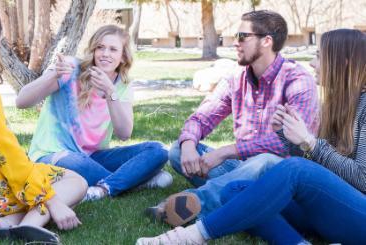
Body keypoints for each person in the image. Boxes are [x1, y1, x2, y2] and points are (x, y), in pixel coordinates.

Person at [137, 28, 366, 245]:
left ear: (342, 62)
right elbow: (322, 173)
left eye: (319, 56)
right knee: (234, 190)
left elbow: (362, 179)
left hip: (359, 218)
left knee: (294, 169)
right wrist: (292, 139)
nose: (313, 64)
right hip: (332, 212)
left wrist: (311, 143)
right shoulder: (335, 105)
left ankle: (191, 236)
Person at [146, 10, 319, 226]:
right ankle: (238, 197)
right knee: (178, 150)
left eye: (242, 36)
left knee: (262, 162)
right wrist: (189, 143)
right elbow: (202, 117)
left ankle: (191, 204)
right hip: (240, 168)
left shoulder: (298, 80)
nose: (235, 43)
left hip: (282, 176)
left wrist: (227, 151)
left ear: (266, 41)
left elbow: (289, 141)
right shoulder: (236, 78)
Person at [0, 2, 87, 243]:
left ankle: (4, 223)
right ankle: (29, 225)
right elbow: (1, 149)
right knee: (75, 182)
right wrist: (50, 199)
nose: (1, 36)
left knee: (32, 179)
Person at [16, 25, 172, 201]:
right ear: (93, 50)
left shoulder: (122, 85)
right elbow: (21, 102)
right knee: (76, 162)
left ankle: (105, 187)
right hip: (54, 155)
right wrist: (52, 76)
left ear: (123, 57)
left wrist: (110, 92)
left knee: (158, 150)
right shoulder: (70, 67)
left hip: (94, 157)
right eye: (100, 47)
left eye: (113, 49)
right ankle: (131, 182)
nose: (105, 53)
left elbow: (124, 134)